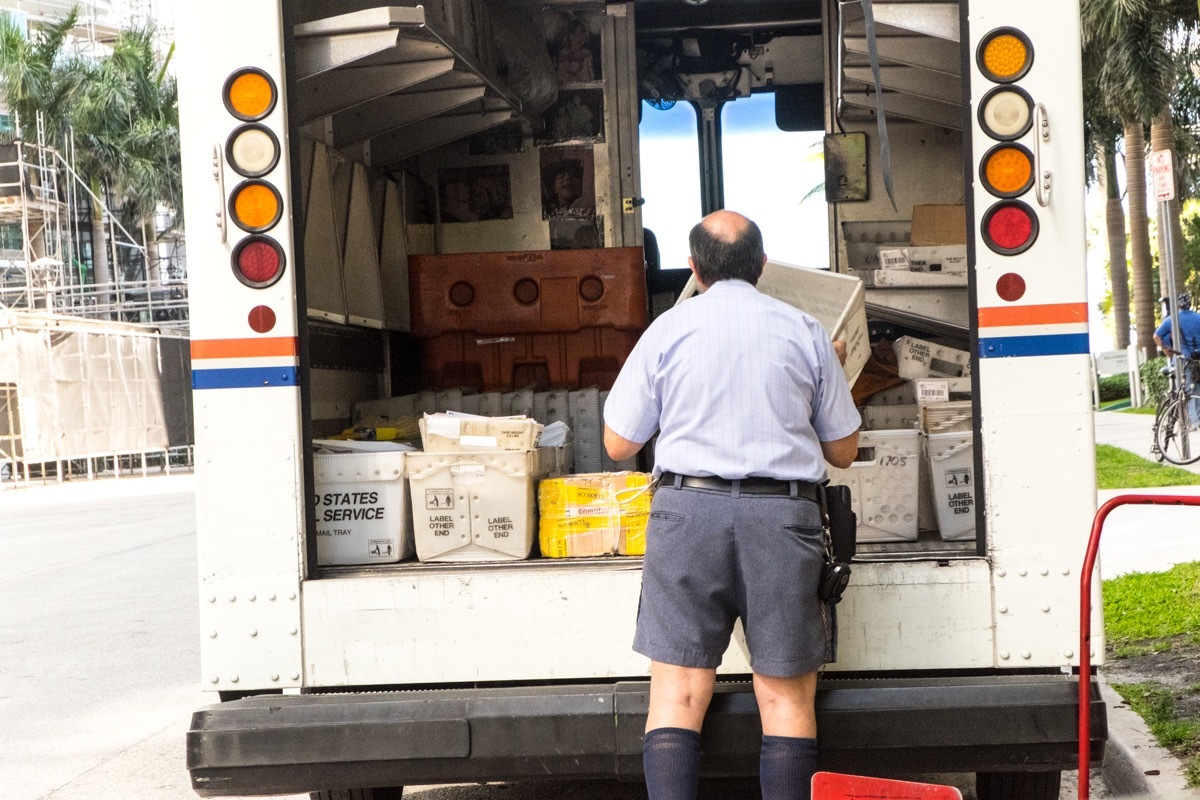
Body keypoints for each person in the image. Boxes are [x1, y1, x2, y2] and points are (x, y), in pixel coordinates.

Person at [602, 210, 861, 800]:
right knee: (784, 696)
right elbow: (843, 450)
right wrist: (834, 372)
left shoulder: (667, 329)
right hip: (783, 519)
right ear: (762, 265)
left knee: (677, 694)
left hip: (688, 515)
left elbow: (620, 444)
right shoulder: (805, 331)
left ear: (694, 268)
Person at [1154, 292, 1200, 360]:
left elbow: (1156, 336)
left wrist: (1166, 349)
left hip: (1182, 357)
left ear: (1179, 304)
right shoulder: (1198, 317)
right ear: (1190, 303)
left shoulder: (1172, 319)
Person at [555, 17, 595, 84]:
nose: (579, 37)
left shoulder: (587, 54)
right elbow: (561, 77)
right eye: (575, 34)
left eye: (582, 33)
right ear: (569, 36)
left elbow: (589, 78)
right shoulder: (562, 55)